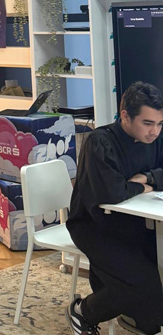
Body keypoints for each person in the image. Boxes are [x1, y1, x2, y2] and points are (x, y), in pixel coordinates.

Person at [65, 81, 163, 335]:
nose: (154, 131)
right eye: (147, 123)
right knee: (144, 284)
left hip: (137, 223)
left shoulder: (155, 138)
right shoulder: (100, 142)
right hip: (95, 226)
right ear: (125, 116)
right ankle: (83, 311)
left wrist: (147, 178)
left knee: (155, 281)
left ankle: (135, 314)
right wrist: (146, 185)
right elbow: (112, 193)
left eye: (159, 124)